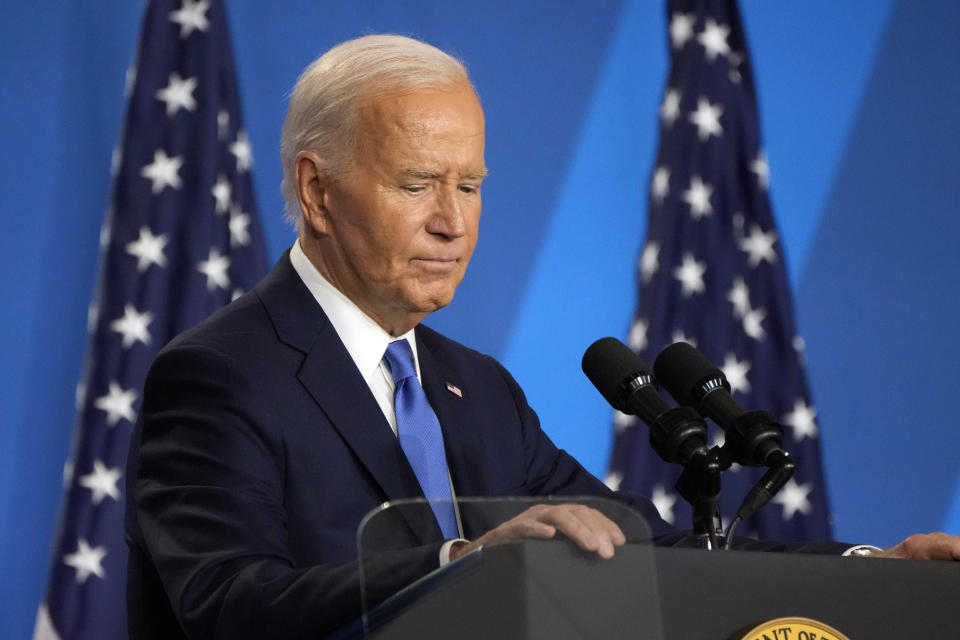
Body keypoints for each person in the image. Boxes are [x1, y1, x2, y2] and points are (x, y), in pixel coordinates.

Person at [124, 34, 960, 640]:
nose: (453, 222)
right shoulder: (219, 375)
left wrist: (866, 567)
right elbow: (226, 602)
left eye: (472, 185)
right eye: (418, 184)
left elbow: (653, 548)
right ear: (316, 191)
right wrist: (463, 560)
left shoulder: (477, 387)